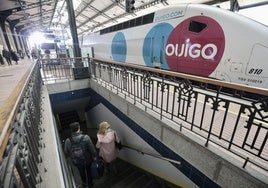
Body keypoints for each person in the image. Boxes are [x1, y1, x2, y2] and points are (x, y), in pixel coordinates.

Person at [64, 122, 97, 187]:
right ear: (79, 128)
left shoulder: (68, 140)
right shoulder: (86, 137)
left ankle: (84, 183)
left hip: (77, 160)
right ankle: (90, 183)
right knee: (88, 171)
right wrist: (95, 156)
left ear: (71, 130)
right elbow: (92, 148)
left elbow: (66, 151)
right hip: (87, 159)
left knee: (81, 171)